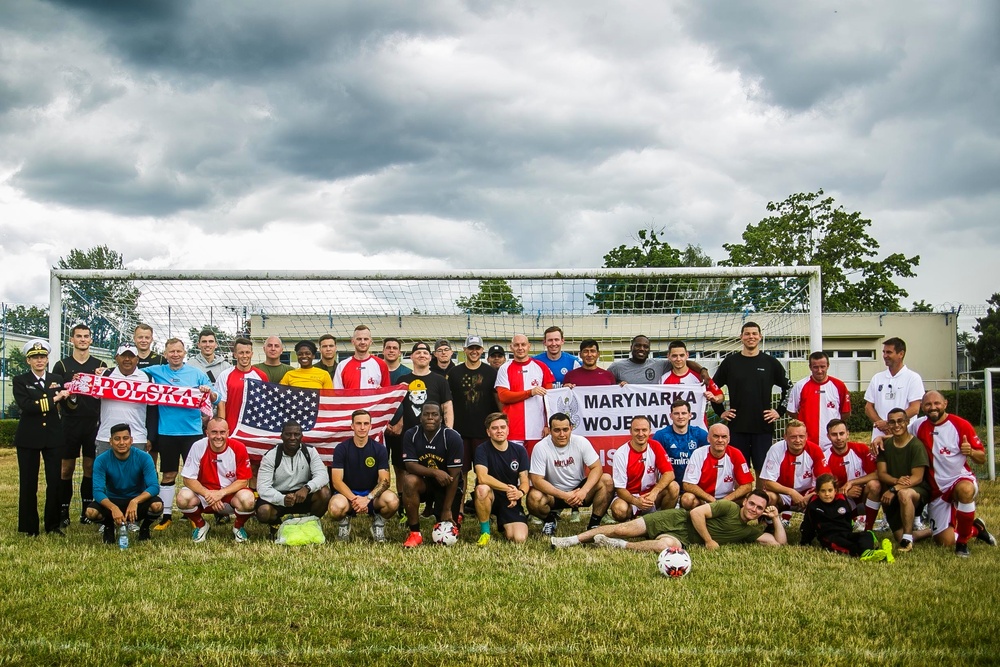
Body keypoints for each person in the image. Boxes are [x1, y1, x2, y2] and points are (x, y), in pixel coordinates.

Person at [550, 490, 786, 551]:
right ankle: (571, 540)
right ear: (745, 502)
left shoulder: (750, 531)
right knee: (621, 528)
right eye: (752, 504)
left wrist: (775, 519)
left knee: (667, 546)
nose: (754, 509)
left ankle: (618, 546)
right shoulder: (729, 507)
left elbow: (780, 543)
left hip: (681, 539)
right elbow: (695, 513)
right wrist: (709, 540)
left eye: (760, 508)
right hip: (673, 519)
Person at [144, 338, 218, 530]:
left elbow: (216, 397)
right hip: (166, 432)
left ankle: (194, 515)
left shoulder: (196, 374)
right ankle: (166, 516)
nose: (175, 355)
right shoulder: (156, 371)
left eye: (179, 351)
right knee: (168, 473)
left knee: (195, 475)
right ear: (165, 354)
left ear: (184, 353)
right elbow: (131, 375)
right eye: (171, 352)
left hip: (192, 433)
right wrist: (105, 373)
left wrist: (208, 392)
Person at [911, 391, 996, 556]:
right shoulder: (918, 425)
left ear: (945, 404)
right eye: (928, 404)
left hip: (959, 479)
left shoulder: (961, 425)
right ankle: (976, 529)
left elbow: (982, 458)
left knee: (965, 490)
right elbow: (901, 436)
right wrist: (881, 439)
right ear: (922, 407)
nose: (933, 407)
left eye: (937, 403)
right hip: (936, 491)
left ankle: (963, 543)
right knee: (945, 542)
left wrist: (971, 451)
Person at [712, 321, 792, 479]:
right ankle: (741, 495)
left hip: (762, 426)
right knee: (738, 469)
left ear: (760, 337)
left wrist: (779, 411)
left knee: (762, 469)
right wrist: (720, 412)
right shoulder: (730, 363)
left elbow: (789, 387)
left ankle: (760, 495)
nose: (751, 337)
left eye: (754, 334)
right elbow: (713, 388)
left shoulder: (770, 363)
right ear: (741, 337)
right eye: (747, 334)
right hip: (737, 426)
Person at [13, 339, 71, 536]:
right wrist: (55, 398)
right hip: (29, 436)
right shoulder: (20, 380)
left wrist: (72, 395)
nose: (39, 360)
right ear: (28, 360)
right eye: (35, 357)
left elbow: (68, 406)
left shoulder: (56, 378)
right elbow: (28, 406)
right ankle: (29, 526)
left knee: (55, 481)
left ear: (47, 359)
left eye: (43, 357)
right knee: (28, 482)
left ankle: (53, 525)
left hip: (53, 436)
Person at [53, 323, 107, 527]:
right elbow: (56, 395)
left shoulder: (100, 364)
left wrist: (102, 376)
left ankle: (87, 511)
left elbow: (106, 392)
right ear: (71, 340)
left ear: (91, 340)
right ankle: (63, 511)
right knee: (65, 469)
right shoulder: (62, 366)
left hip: (93, 423)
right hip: (69, 423)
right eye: (79, 336)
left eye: (86, 336)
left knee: (90, 467)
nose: (83, 339)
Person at [526, 413, 613, 535]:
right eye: (557, 430)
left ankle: (594, 524)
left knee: (606, 480)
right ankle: (549, 520)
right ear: (550, 431)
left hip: (579, 492)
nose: (562, 434)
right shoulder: (540, 447)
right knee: (533, 497)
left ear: (571, 428)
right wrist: (564, 495)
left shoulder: (581, 442)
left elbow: (597, 468)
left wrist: (584, 491)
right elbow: (536, 480)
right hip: (554, 494)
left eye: (565, 429)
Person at [387, 342, 454, 496]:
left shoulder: (440, 380)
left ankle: (432, 503)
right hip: (407, 436)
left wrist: (449, 431)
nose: (422, 355)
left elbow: (447, 406)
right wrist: (398, 424)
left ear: (430, 357)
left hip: (433, 436)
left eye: (425, 353)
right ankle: (403, 502)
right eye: (418, 352)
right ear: (411, 357)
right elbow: (397, 406)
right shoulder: (403, 380)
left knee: (433, 469)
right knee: (403, 469)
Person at [176, 418, 255, 542]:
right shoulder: (198, 446)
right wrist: (208, 494)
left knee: (248, 500)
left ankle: (238, 527)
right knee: (182, 498)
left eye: (222, 432)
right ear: (207, 433)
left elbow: (243, 480)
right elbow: (188, 479)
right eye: (214, 432)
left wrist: (220, 493)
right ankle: (201, 525)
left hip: (229, 495)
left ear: (228, 433)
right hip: (204, 495)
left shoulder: (238, 447)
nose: (218, 436)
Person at [328, 410, 399, 543]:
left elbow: (385, 481)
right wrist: (355, 500)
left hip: (372, 497)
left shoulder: (379, 449)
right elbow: (336, 481)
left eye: (366, 424)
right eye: (358, 423)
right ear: (352, 426)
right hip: (348, 497)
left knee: (392, 501)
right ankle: (344, 523)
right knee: (335, 507)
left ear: (370, 426)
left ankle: (378, 523)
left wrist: (367, 499)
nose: (362, 427)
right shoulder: (341, 448)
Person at [400, 403, 464, 548]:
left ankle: (448, 511)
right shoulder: (411, 434)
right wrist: (435, 472)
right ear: (420, 417)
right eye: (426, 414)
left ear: (441, 418)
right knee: (409, 480)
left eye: (434, 414)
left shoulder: (452, 437)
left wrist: (447, 509)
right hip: (424, 483)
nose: (430, 418)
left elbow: (454, 477)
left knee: (446, 528)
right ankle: (415, 533)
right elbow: (410, 465)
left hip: (447, 485)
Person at [448, 335, 500, 510]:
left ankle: (482, 506)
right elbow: (448, 401)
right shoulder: (454, 373)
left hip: (483, 432)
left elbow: (497, 399)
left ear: (482, 350)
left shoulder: (491, 373)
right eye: (471, 348)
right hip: (460, 431)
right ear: (465, 350)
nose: (474, 351)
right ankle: (459, 508)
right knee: (460, 472)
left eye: (477, 348)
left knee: (483, 472)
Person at [86, 423, 162, 543]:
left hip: (137, 501)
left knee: (157, 505)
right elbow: (97, 491)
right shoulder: (101, 460)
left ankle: (144, 528)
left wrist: (135, 501)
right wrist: (113, 507)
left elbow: (154, 487)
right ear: (111, 442)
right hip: (112, 500)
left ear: (131, 440)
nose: (121, 442)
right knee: (91, 512)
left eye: (125, 438)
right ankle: (108, 527)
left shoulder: (144, 457)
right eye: (117, 439)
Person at [256, 420, 331, 540]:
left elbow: (323, 475)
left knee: (325, 493)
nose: (292, 438)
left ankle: (309, 524)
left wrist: (307, 488)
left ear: (302, 436)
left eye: (296, 434)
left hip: (302, 494)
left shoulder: (310, 451)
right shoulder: (270, 456)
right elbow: (263, 488)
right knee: (263, 512)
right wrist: (282, 499)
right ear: (281, 436)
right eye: (288, 434)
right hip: (279, 496)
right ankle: (276, 525)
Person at [801, 474, 894, 562]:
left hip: (846, 533)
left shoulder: (842, 500)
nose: (827, 494)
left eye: (830, 490)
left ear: (835, 491)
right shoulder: (814, 505)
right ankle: (875, 553)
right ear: (817, 492)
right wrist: (805, 541)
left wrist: (850, 532)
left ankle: (871, 553)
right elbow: (808, 524)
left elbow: (849, 518)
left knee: (867, 535)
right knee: (849, 546)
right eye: (823, 491)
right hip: (830, 537)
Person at [875, 407, 931, 552]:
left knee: (904, 494)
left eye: (900, 421)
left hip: (916, 491)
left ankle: (907, 541)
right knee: (898, 536)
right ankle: (932, 531)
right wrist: (896, 481)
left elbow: (917, 478)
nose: (896, 425)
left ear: (907, 422)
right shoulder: (885, 446)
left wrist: (895, 489)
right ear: (888, 424)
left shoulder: (916, 445)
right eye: (892, 422)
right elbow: (882, 474)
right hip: (894, 490)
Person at [473, 413, 530, 545]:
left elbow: (525, 481)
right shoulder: (482, 449)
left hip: (510, 500)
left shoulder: (519, 451)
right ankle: (485, 533)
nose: (499, 431)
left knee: (518, 538)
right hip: (491, 496)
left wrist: (519, 493)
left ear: (508, 430)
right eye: (494, 428)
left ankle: (504, 524)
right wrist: (509, 488)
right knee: (481, 489)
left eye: (503, 427)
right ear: (488, 432)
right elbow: (482, 477)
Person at [610, 416, 677, 521]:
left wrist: (654, 492)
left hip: (651, 496)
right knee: (619, 509)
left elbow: (669, 474)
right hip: (630, 498)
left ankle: (662, 520)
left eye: (644, 430)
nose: (641, 434)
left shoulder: (655, 446)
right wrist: (636, 501)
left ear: (650, 431)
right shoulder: (621, 454)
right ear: (630, 431)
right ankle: (630, 521)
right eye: (637, 430)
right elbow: (620, 489)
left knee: (674, 486)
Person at [760, 420, 830, 513]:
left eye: (801, 436)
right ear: (785, 437)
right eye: (793, 437)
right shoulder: (776, 449)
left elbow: (826, 480)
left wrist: (812, 495)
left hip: (807, 494)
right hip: (783, 494)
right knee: (768, 497)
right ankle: (769, 520)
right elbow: (767, 482)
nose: (798, 440)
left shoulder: (815, 450)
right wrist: (791, 492)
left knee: (825, 495)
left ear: (806, 436)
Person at [787, 351, 851, 453]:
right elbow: (791, 411)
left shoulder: (839, 385)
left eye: (822, 367)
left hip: (832, 443)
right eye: (815, 367)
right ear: (810, 367)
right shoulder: (800, 386)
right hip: (807, 443)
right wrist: (804, 421)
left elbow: (846, 412)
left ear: (828, 366)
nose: (819, 371)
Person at [495, 334, 554, 444]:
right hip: (513, 430)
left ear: (529, 346)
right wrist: (530, 392)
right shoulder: (504, 368)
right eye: (516, 345)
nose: (520, 348)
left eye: (523, 344)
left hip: (538, 430)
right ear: (511, 347)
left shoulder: (541, 367)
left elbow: (550, 400)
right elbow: (503, 396)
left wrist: (548, 424)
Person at [94, 344, 150, 457]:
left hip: (137, 437)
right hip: (106, 436)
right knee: (105, 468)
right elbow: (93, 397)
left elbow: (153, 409)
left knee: (135, 469)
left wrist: (150, 437)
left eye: (131, 356)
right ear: (116, 358)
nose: (127, 359)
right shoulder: (104, 375)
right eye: (123, 356)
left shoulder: (147, 378)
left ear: (137, 359)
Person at [681, 423, 754, 509]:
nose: (720, 440)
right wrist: (711, 499)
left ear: (729, 439)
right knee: (687, 499)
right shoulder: (698, 453)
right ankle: (695, 516)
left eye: (724, 437)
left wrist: (724, 501)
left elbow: (747, 485)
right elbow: (688, 484)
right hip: (703, 499)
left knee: (749, 498)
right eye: (716, 436)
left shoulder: (736, 453)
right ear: (708, 438)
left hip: (728, 499)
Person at [825, 419, 881, 531]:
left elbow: (877, 474)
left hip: (863, 496)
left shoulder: (861, 449)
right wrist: (843, 491)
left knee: (875, 485)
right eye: (834, 434)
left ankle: (868, 528)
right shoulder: (825, 457)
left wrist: (852, 482)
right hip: (841, 499)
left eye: (841, 433)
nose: (839, 438)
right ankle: (850, 521)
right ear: (828, 436)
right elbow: (823, 489)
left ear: (847, 434)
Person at [864, 337, 924, 439]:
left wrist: (889, 423)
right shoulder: (877, 378)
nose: (885, 356)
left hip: (904, 438)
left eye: (889, 352)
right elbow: (868, 407)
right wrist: (881, 424)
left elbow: (914, 408)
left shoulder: (913, 378)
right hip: (879, 438)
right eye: (884, 352)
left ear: (901, 354)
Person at [661, 340, 723, 429]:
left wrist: (715, 398)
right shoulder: (663, 379)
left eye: (681, 355)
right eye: (674, 356)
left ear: (687, 355)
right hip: (672, 429)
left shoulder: (701, 377)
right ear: (668, 356)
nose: (678, 359)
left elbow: (720, 396)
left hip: (698, 428)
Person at [215, 337, 269, 437]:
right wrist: (222, 429)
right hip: (231, 430)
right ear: (235, 354)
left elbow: (265, 404)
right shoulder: (225, 375)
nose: (245, 356)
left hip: (253, 430)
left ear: (252, 354)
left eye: (247, 352)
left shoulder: (261, 376)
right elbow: (221, 404)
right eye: (241, 353)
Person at [652, 399, 709, 485]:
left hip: (694, 483)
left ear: (690, 415)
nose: (680, 417)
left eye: (684, 413)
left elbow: (711, 455)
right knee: (673, 486)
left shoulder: (699, 433)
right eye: (676, 413)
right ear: (670, 416)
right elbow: (651, 460)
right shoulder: (661, 435)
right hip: (670, 484)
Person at [134, 323, 163, 467]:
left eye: (147, 337)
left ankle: (151, 477)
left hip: (153, 411)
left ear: (152, 339)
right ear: (134, 338)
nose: (143, 340)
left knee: (152, 452)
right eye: (140, 337)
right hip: (133, 410)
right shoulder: (128, 358)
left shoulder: (161, 360)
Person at [334, 325, 391, 390]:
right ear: (353, 341)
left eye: (366, 339)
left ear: (370, 342)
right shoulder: (342, 365)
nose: (362, 342)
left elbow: (387, 391)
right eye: (359, 339)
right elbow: (337, 393)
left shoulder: (381, 364)